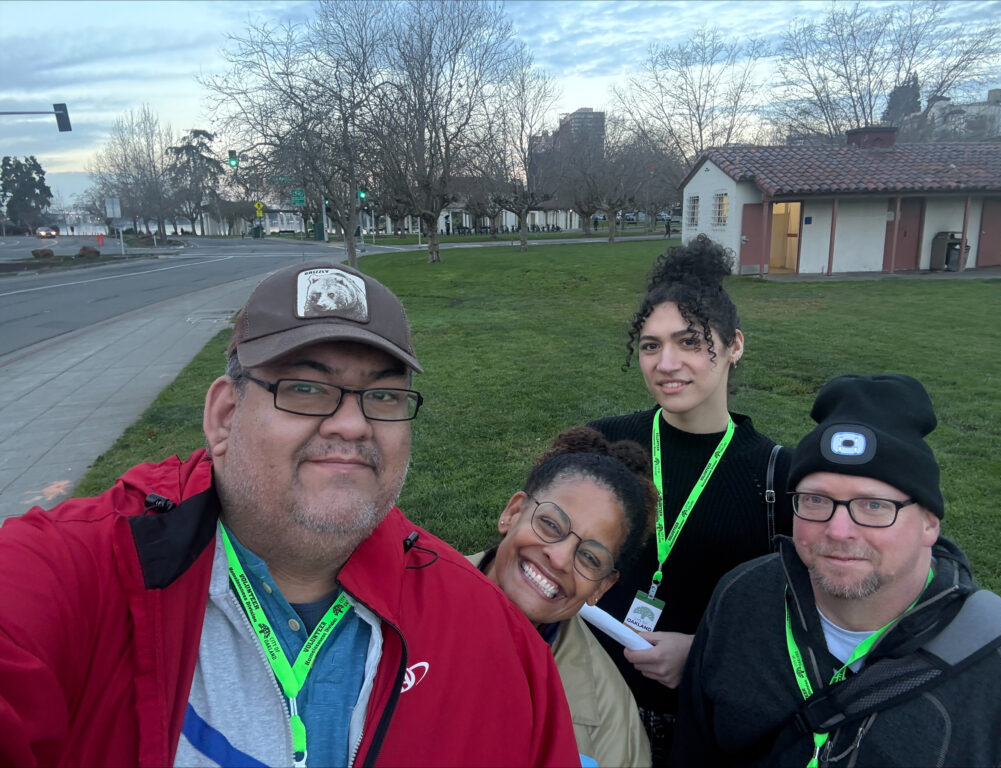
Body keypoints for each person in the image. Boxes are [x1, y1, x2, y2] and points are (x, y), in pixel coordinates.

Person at [0, 261, 580, 768]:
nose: (352, 425)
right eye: (305, 388)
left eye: (381, 396)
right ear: (226, 415)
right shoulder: (80, 575)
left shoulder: (493, 642)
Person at [673, 374, 1001, 767]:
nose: (838, 530)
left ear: (929, 523)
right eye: (816, 499)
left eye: (874, 506)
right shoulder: (741, 596)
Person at [588, 235, 792, 764]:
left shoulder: (777, 474)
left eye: (689, 341)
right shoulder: (605, 446)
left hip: (704, 726)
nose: (666, 362)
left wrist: (702, 653)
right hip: (594, 706)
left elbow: (794, 618)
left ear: (734, 346)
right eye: (651, 345)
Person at [469, 426, 656, 768]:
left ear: (601, 587)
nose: (558, 558)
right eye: (551, 525)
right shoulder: (401, 595)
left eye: (590, 558)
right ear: (513, 512)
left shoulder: (609, 720)